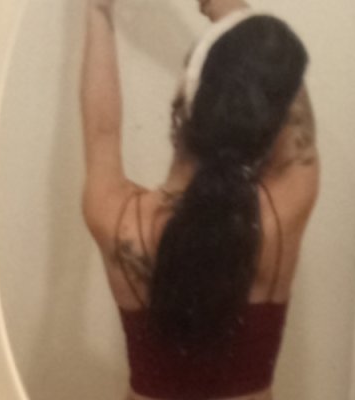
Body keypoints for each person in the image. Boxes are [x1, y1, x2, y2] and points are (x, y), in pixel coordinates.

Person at [81, 0, 320, 399]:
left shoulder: (118, 218)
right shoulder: (281, 215)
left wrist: (98, 11)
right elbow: (280, 76)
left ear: (181, 105)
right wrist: (224, 7)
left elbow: (102, 132)